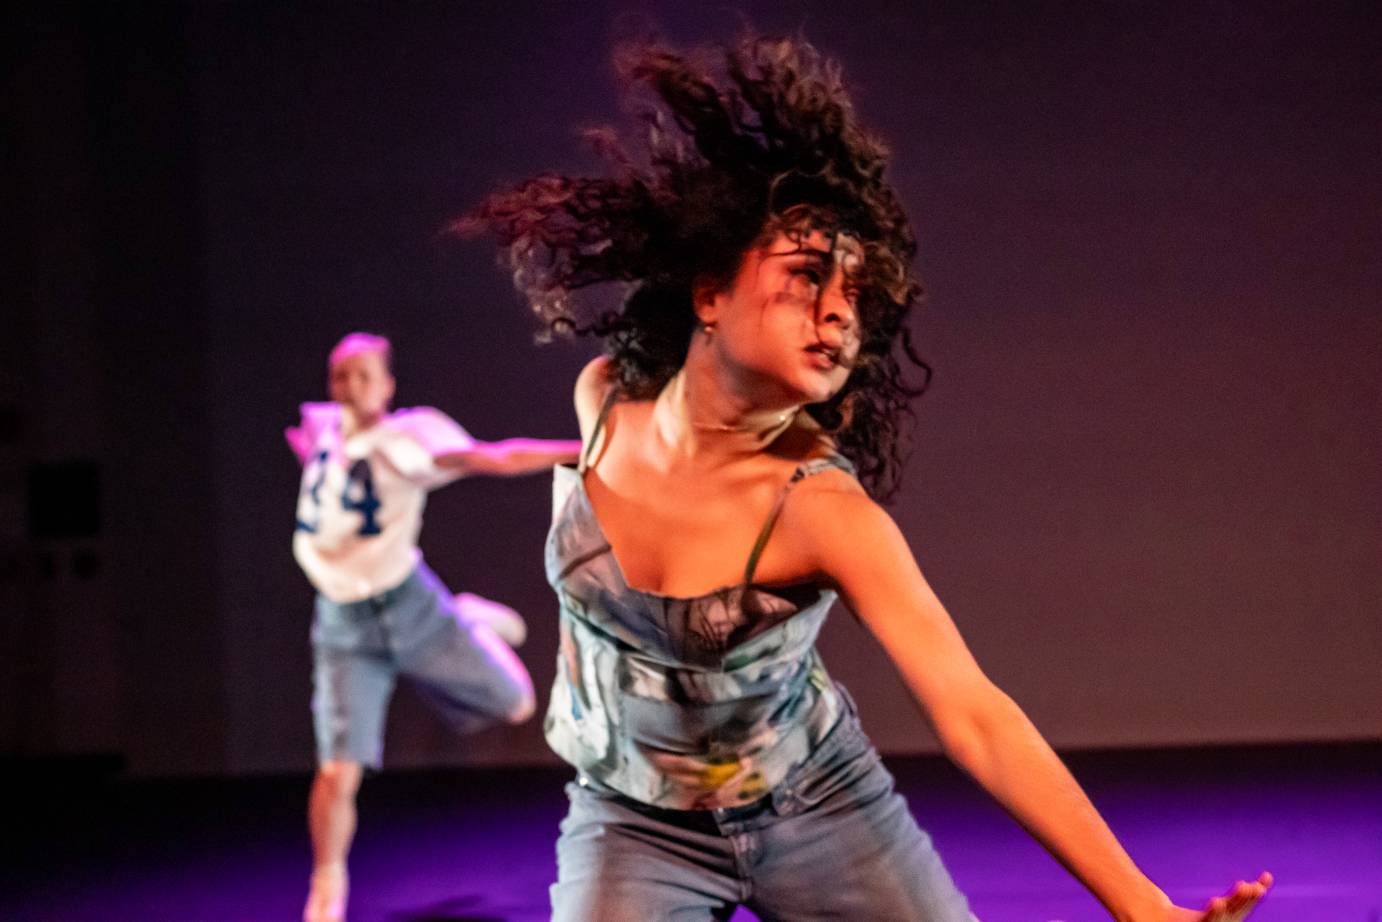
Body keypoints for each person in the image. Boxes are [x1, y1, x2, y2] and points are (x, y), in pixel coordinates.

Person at [464, 34, 1273, 921]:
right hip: (631, 821)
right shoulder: (604, 401)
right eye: (807, 276)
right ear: (709, 293)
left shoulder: (825, 514)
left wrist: (1142, 906)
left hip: (818, 806)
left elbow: (977, 717)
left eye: (854, 290)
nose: (840, 311)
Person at [286, 332, 581, 922]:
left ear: (388, 384)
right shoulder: (324, 427)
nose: (350, 386)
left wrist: (583, 447)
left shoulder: (411, 437)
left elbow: (494, 457)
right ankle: (327, 881)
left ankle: (466, 617)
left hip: (408, 606)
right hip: (343, 622)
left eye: (364, 375)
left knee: (517, 704)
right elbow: (312, 450)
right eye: (340, 375)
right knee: (338, 767)